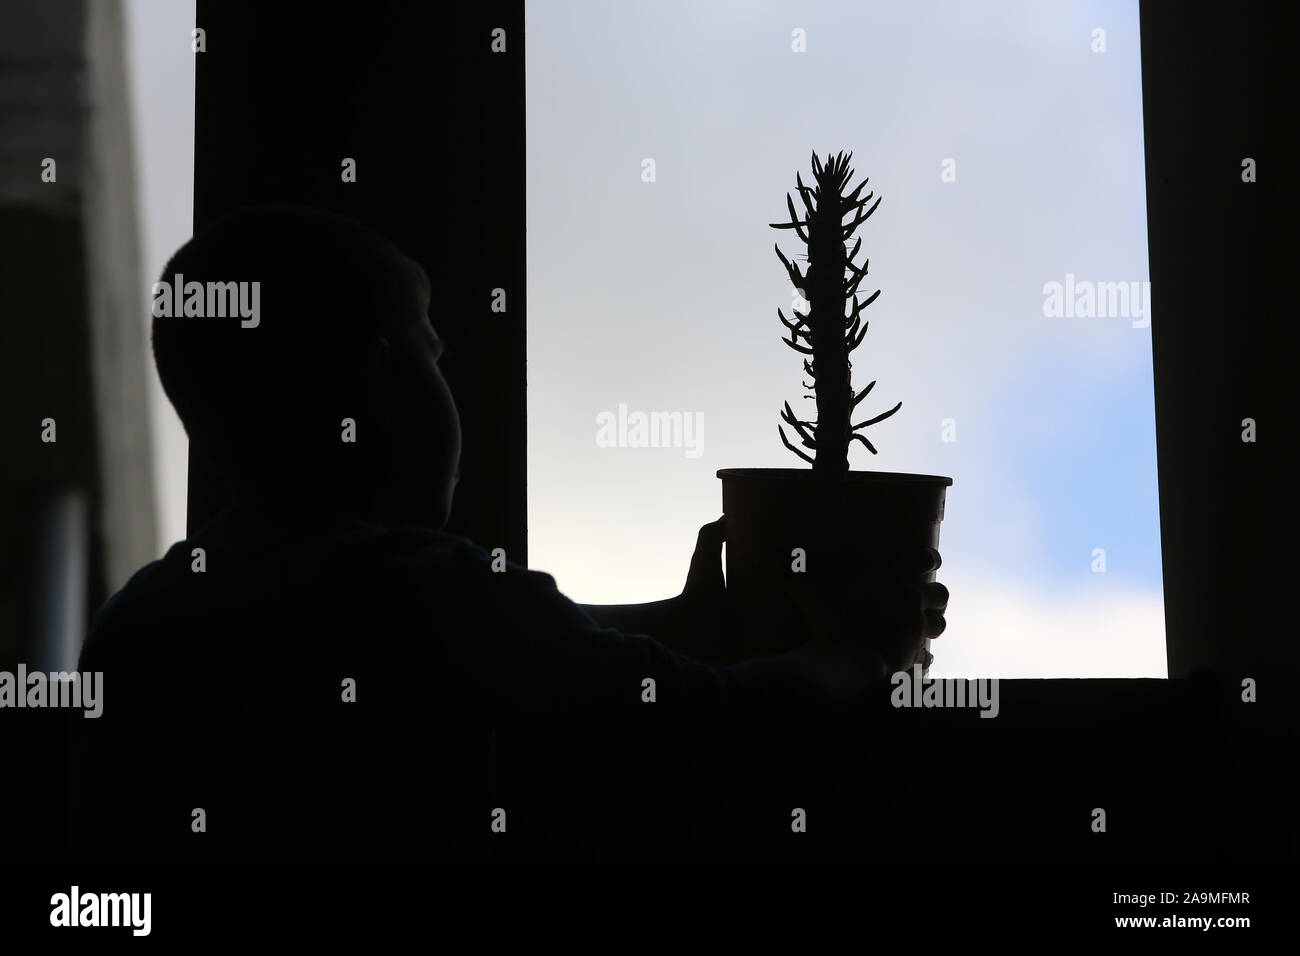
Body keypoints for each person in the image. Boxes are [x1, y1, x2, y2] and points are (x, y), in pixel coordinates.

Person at [69, 205, 948, 864]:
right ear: (384, 383)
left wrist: (686, 619)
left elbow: (541, 644)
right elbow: (701, 720)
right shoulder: (423, 587)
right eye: (434, 354)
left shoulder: (141, 620)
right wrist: (868, 649)